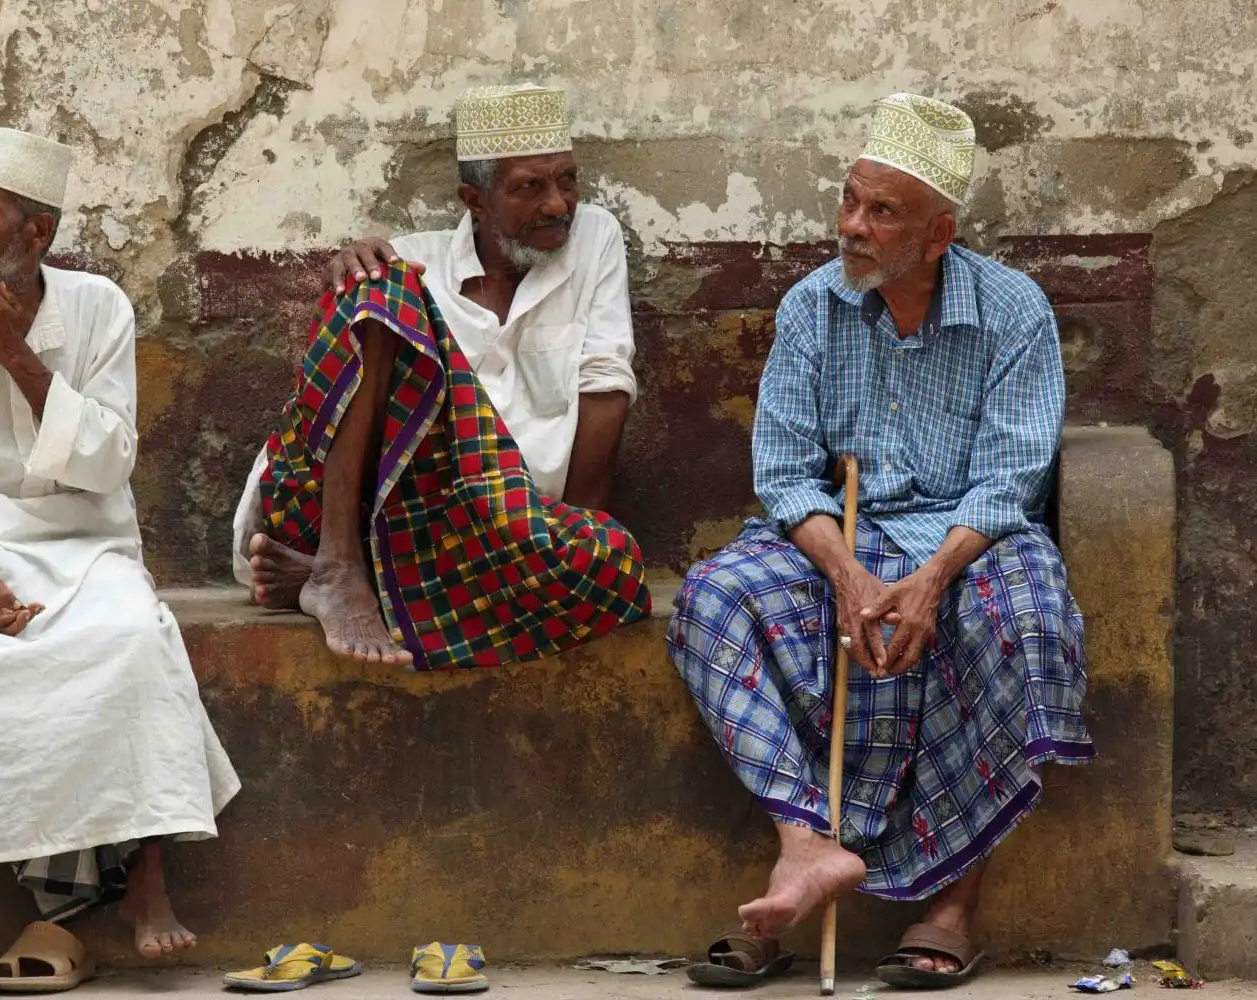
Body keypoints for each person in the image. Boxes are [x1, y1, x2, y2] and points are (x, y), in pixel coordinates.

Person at [667, 94, 1093, 990]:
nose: (852, 226)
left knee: (1028, 617)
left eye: (882, 211)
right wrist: (850, 575)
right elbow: (785, 474)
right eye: (850, 199)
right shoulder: (811, 308)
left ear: (938, 236)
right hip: (843, 537)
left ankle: (952, 909)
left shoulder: (1014, 312)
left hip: (969, 540)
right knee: (713, 597)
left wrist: (932, 578)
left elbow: (1011, 480)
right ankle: (804, 849)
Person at [0, 126, 240, 998]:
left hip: (85, 540)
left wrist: (14, 355)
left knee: (134, 640)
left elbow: (108, 462)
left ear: (37, 233)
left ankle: (147, 881)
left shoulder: (99, 311)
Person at [231, 83, 651, 671]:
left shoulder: (593, 238)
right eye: (529, 187)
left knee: (614, 568)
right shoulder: (412, 263)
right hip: (403, 507)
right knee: (376, 283)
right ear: (474, 200)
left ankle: (362, 581)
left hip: (515, 530)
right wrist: (356, 281)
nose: (558, 204)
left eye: (567, 180)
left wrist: (570, 542)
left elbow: (605, 386)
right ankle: (339, 565)